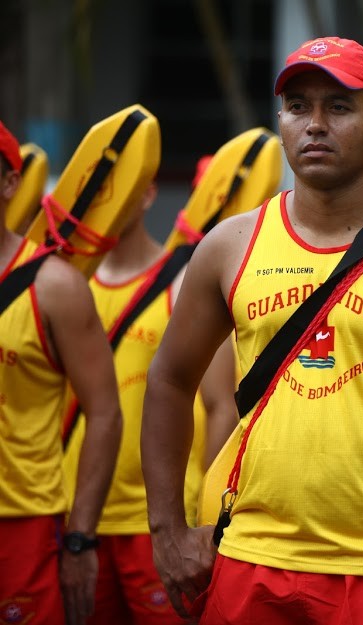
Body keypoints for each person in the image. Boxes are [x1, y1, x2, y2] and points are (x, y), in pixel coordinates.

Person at [140, 36, 363, 625]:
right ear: (280, 122)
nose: (314, 124)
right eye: (297, 106)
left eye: (338, 107)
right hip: (253, 561)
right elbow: (169, 381)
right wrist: (167, 531)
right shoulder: (230, 247)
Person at [61, 177, 238, 624]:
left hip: (157, 521)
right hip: (74, 517)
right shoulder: (64, 286)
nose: (110, 196)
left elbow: (221, 406)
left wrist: (200, 515)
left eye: (121, 186)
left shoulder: (181, 285)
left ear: (148, 194)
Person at [0, 120, 122, 624]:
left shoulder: (53, 286)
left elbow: (106, 413)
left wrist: (80, 538)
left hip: (22, 528)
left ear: (10, 182)